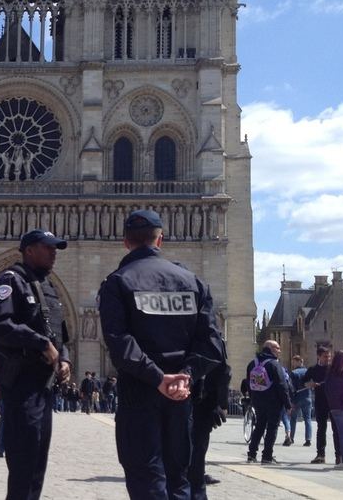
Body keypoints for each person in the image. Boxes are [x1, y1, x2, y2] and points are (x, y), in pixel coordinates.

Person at [98, 211, 223, 499]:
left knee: (146, 480)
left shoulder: (117, 283)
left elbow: (119, 343)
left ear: (125, 242)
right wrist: (186, 376)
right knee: (179, 480)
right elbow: (212, 344)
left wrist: (157, 378)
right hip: (181, 396)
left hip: (139, 394)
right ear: (160, 239)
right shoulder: (193, 282)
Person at [0, 229, 72, 500]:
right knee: (23, 461)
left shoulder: (48, 288)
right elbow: (0, 325)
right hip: (22, 384)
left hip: (43, 387)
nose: (54, 252)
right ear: (29, 250)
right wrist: (40, 344)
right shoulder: (10, 282)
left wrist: (65, 358)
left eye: (55, 247)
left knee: (37, 461)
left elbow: (60, 335)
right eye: (47, 247)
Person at [189, 343, 232, 500]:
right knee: (198, 444)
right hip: (202, 399)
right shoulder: (209, 335)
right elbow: (222, 372)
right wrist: (221, 403)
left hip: (184, 395)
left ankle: (195, 475)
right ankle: (196, 478)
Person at [245, 340, 292, 464]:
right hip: (273, 402)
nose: (279, 350)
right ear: (270, 348)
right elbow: (282, 385)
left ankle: (251, 454)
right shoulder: (274, 364)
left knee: (259, 426)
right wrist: (288, 404)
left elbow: (248, 384)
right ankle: (267, 456)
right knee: (272, 428)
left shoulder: (252, 364)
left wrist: (253, 398)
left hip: (258, 401)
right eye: (277, 348)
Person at [302, 346, 340, 464]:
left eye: (329, 356)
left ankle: (339, 455)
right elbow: (303, 381)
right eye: (325, 356)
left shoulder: (333, 369)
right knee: (321, 428)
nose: (328, 359)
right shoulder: (313, 369)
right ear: (318, 356)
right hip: (320, 401)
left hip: (333, 401)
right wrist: (310, 384)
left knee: (336, 429)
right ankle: (320, 455)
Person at [288, 355, 313, 447]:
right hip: (307, 397)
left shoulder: (294, 373)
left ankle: (291, 438)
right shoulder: (308, 372)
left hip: (297, 398)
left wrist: (291, 401)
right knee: (308, 419)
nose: (293, 364)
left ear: (298, 362)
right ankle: (308, 439)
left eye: (293, 362)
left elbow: (291, 388)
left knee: (293, 419)